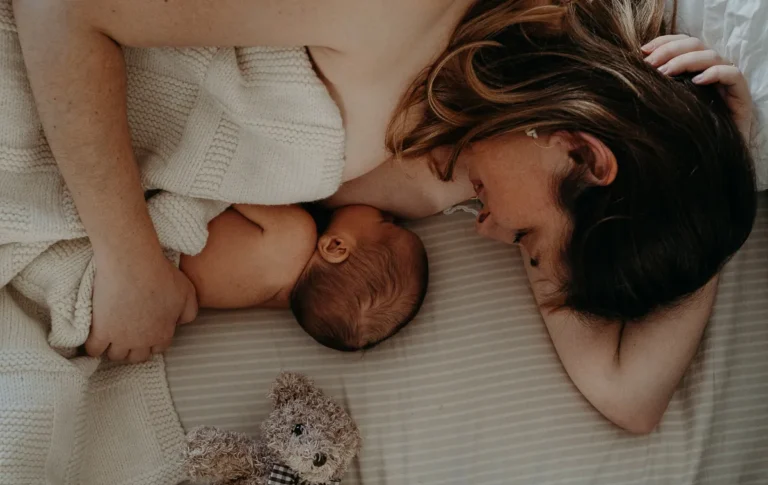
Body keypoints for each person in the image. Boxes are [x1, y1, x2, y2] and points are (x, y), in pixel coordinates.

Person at [10, 0, 757, 433]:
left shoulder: (500, 156)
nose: (486, 234)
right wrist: (128, 256)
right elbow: (62, 8)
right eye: (527, 239)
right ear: (585, 156)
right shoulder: (402, 13)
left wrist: (723, 172)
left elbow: (627, 394)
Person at [179, 203, 428, 352]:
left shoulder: (296, 234)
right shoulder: (284, 300)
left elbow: (229, 184)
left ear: (336, 247)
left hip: (171, 230)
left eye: (386, 223)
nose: (393, 215)